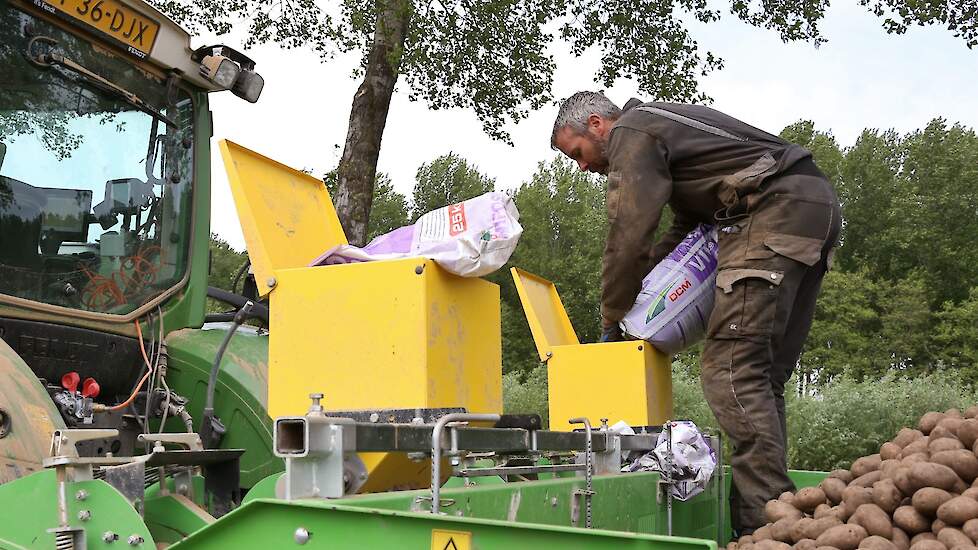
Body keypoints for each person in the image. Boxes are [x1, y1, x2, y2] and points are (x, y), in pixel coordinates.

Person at [551, 91, 841, 535]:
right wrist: (645, 292)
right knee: (763, 378)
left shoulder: (633, 131)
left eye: (577, 154)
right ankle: (780, 513)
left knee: (732, 371)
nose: (583, 166)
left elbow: (629, 230)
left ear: (596, 124)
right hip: (810, 208)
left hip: (771, 210)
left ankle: (765, 530)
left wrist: (612, 314)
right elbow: (683, 232)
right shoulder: (667, 132)